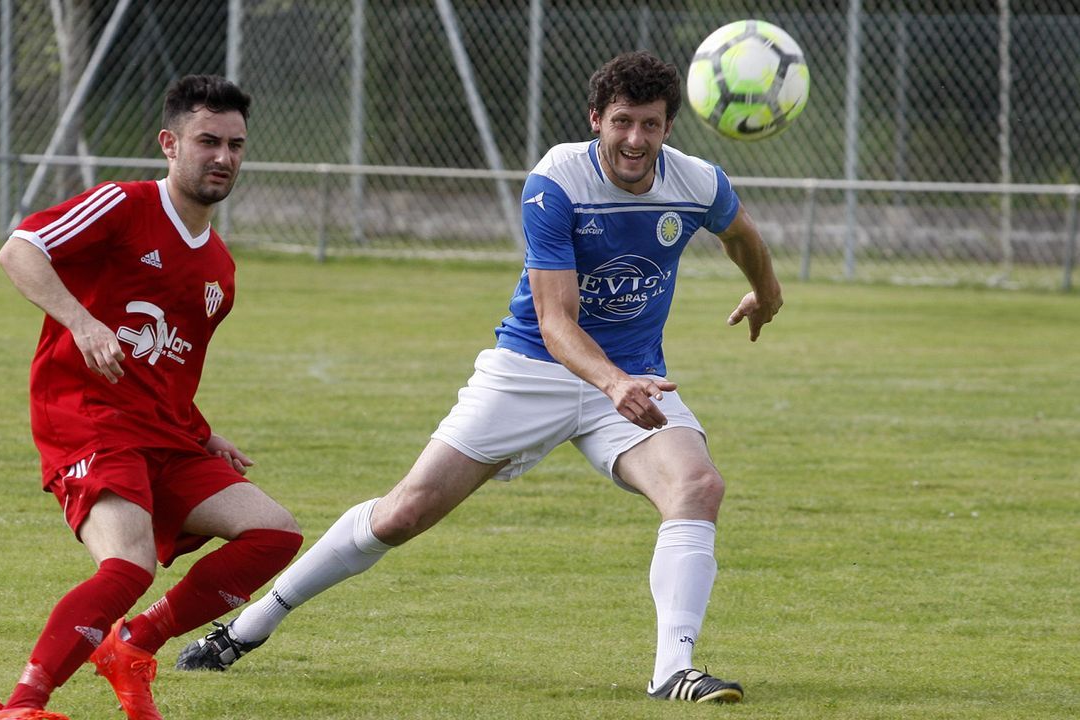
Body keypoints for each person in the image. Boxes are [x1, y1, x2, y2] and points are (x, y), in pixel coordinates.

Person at [179, 51, 782, 704]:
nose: (635, 140)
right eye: (622, 122)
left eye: (651, 125)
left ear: (669, 128)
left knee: (697, 486)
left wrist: (766, 293)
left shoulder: (696, 181)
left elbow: (740, 235)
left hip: (629, 381)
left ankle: (673, 670)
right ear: (595, 121)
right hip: (530, 371)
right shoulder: (559, 180)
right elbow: (556, 323)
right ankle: (249, 626)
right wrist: (613, 384)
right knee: (402, 514)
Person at [0, 75, 303, 720]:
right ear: (170, 143)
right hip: (88, 419)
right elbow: (19, 250)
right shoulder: (122, 206)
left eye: (235, 145)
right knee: (128, 565)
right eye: (207, 140)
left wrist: (202, 430)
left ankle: (133, 644)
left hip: (165, 433)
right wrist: (82, 322)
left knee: (273, 533)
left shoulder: (220, 267)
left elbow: (169, 369)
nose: (222, 157)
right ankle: (22, 706)